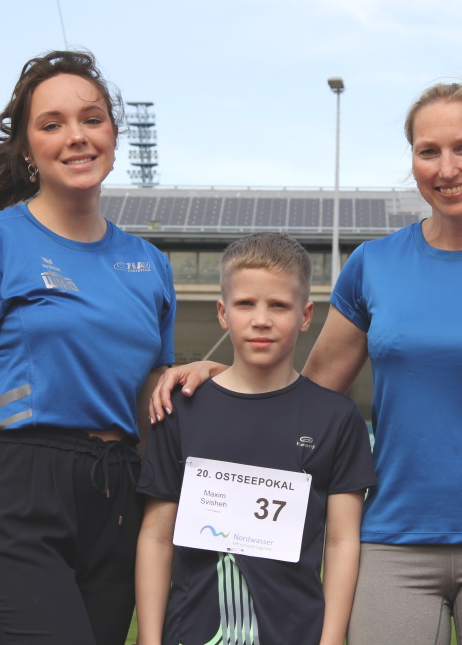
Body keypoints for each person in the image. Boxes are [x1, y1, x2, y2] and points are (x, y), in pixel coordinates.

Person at [151, 82, 462, 644]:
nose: (447, 168)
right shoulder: (373, 264)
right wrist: (227, 378)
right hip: (390, 539)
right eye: (428, 151)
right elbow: (310, 393)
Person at [0, 50, 176, 645]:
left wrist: (213, 377)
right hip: (22, 488)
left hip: (121, 496)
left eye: (92, 119)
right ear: (27, 149)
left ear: (113, 134)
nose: (76, 137)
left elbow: (153, 408)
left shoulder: (151, 265)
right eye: (52, 124)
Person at [135, 232, 376, 645]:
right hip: (191, 633)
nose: (261, 319)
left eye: (279, 305)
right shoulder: (182, 410)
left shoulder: (337, 418)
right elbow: (157, 536)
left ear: (305, 316)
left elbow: (340, 542)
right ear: (222, 312)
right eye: (245, 303)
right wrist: (149, 638)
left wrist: (331, 640)